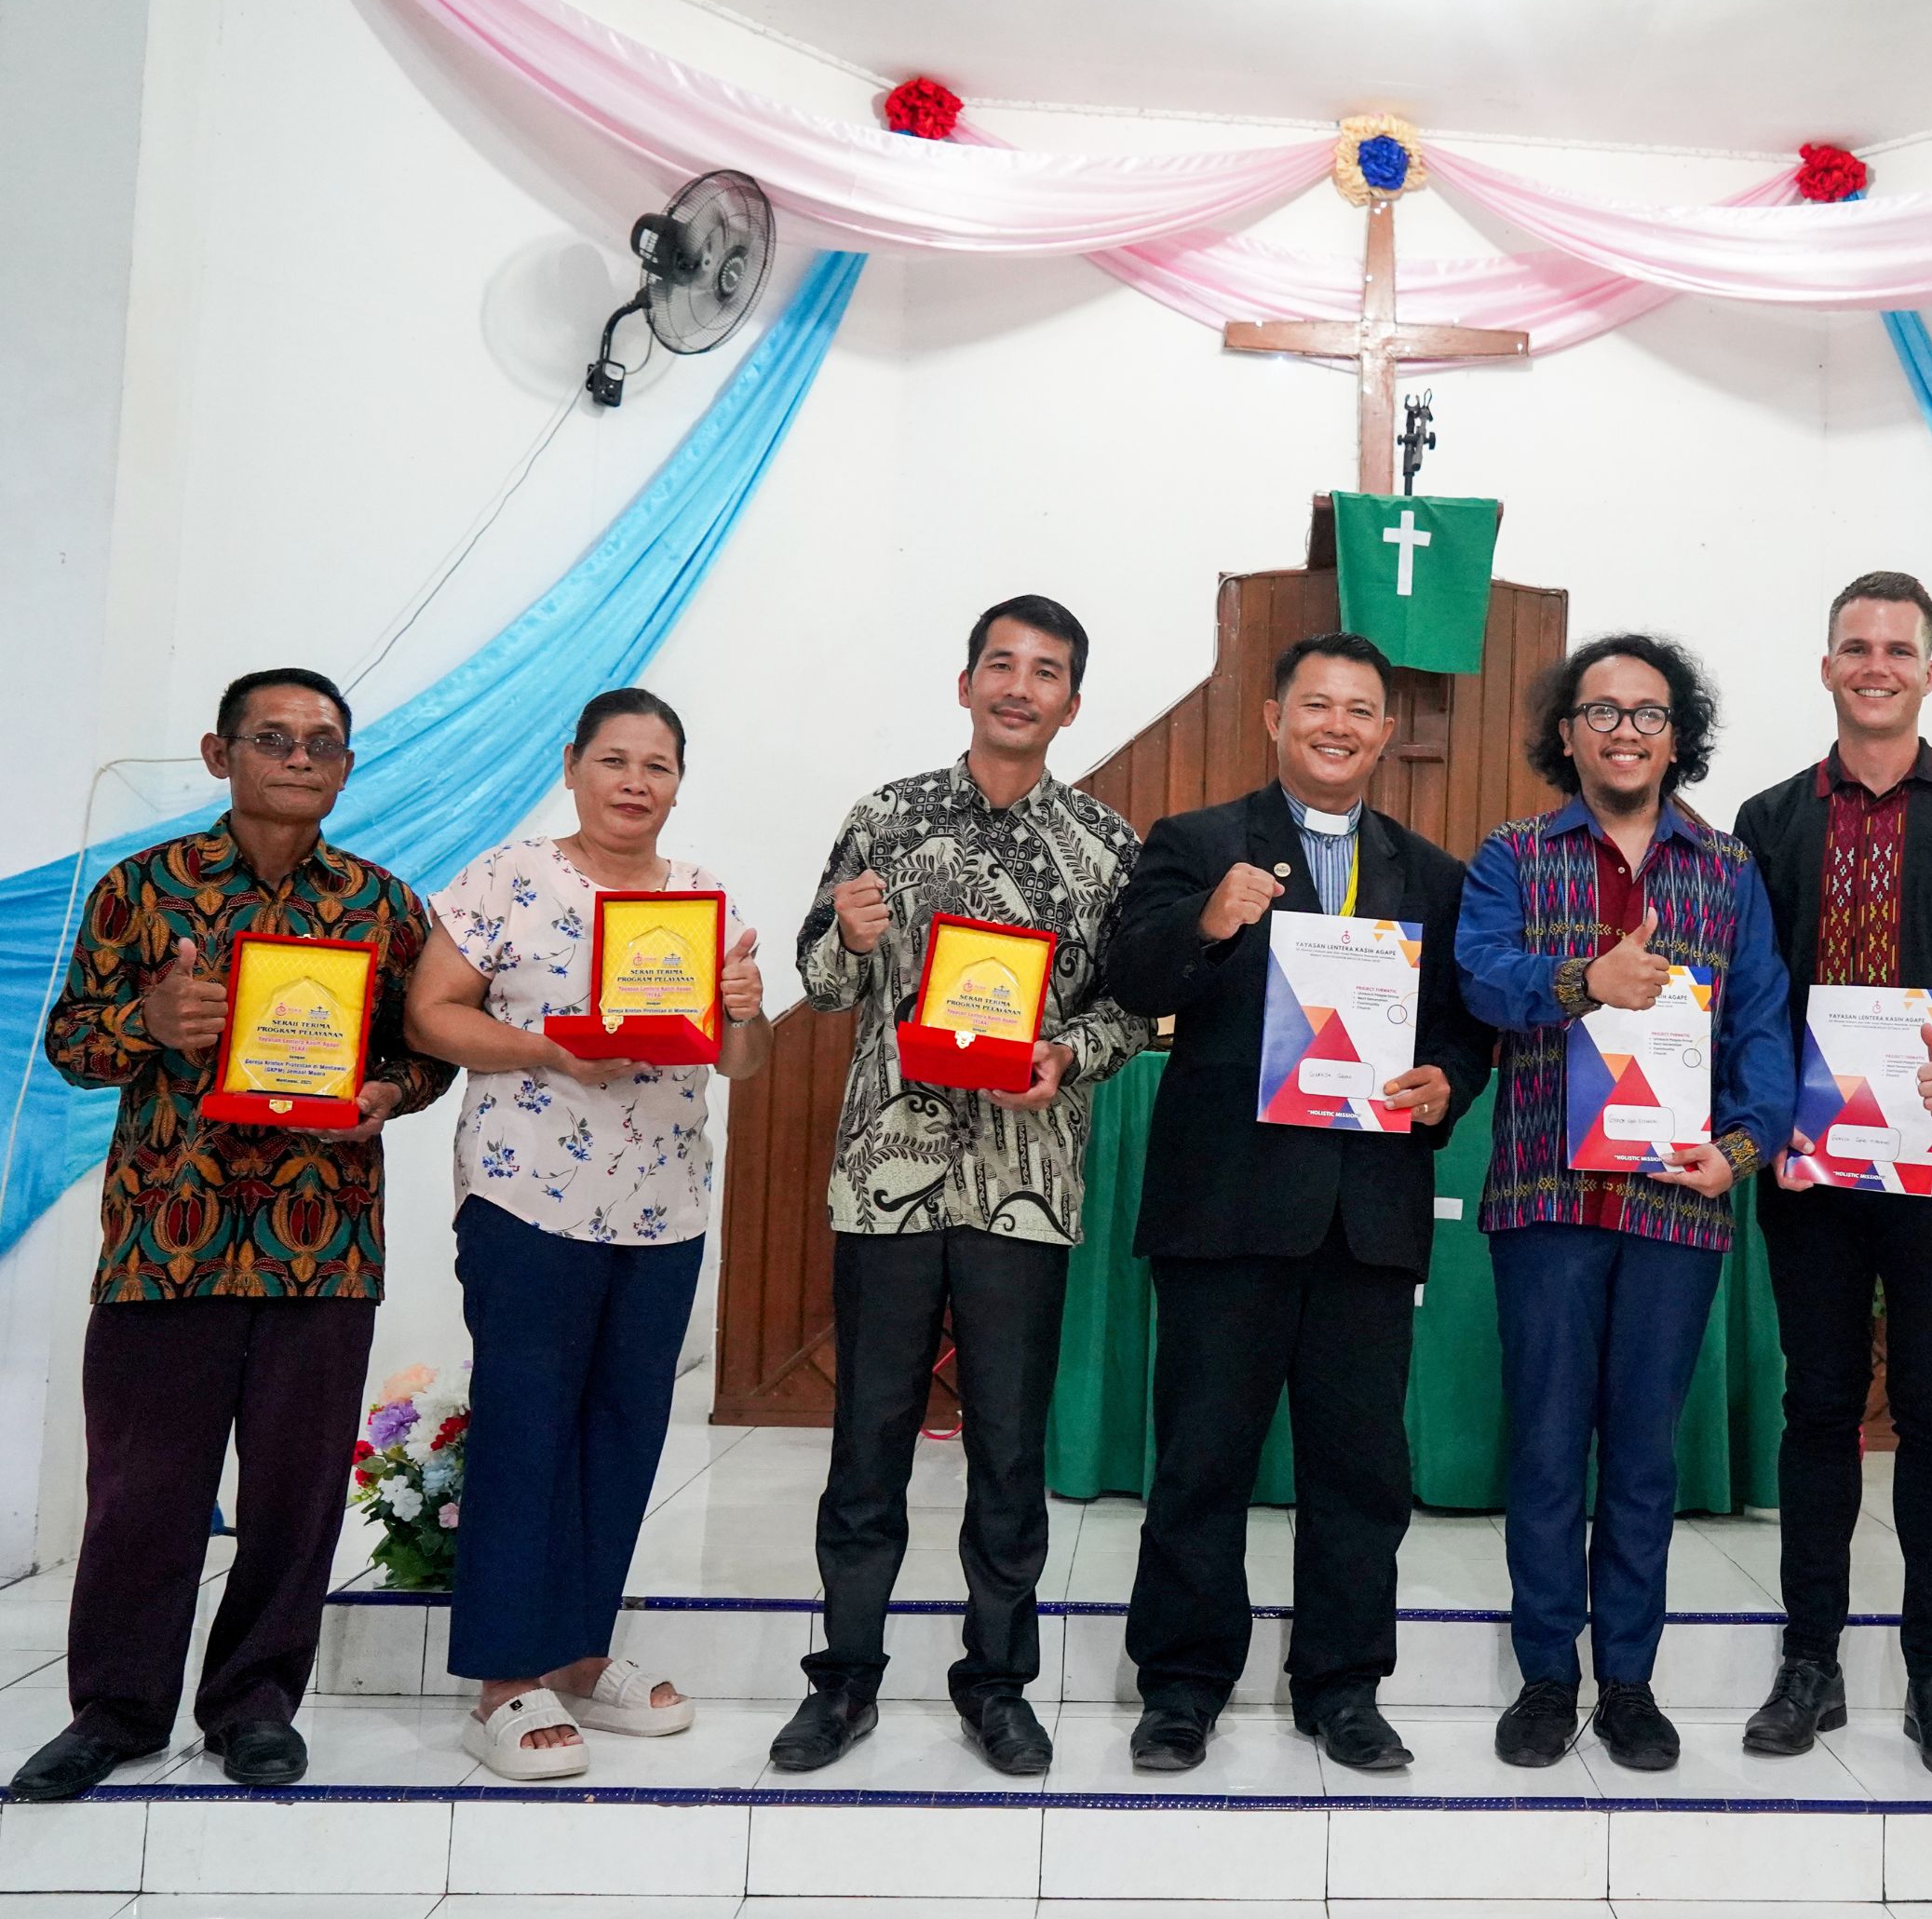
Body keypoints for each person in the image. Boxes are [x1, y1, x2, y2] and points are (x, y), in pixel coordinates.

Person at [9, 669, 454, 1804]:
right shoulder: (141, 889)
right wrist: (148, 1020)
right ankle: (114, 1712)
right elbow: (69, 1041)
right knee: (142, 1497)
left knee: (296, 1502)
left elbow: (426, 1052)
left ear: (346, 768)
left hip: (323, 1245)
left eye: (323, 743)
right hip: (167, 1241)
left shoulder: (384, 906)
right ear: (221, 755)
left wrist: (387, 1093)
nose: (300, 758)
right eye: (274, 738)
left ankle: (255, 1706)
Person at [773, 595, 1154, 1778]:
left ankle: (996, 1683)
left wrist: (1067, 1055)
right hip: (888, 1172)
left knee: (1007, 1447)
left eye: (1045, 672)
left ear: (1072, 705)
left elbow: (1131, 1009)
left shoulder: (1105, 845)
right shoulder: (885, 817)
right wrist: (845, 934)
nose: (1018, 686)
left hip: (1024, 1185)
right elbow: (821, 981)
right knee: (867, 1440)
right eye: (1001, 663)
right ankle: (843, 1679)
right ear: (966, 683)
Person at [1105, 629, 1491, 1775]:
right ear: (1275, 718)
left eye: (1360, 710)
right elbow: (1130, 978)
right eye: (1317, 703)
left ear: (1385, 734)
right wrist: (1206, 921)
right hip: (1226, 1207)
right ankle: (1182, 1687)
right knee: (1202, 1460)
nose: (1338, 725)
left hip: (1366, 1216)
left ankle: (1343, 1686)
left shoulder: (1434, 873)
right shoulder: (1196, 843)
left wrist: (1446, 1085)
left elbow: (1462, 1029)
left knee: (1362, 1472)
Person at [405, 687, 771, 1779]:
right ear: (572, 766)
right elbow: (432, 1015)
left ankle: (576, 1652)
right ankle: (501, 1682)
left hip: (663, 1208)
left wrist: (744, 1005)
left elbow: (742, 1062)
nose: (634, 783)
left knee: (624, 1430)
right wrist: (551, 1052)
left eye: (657, 766)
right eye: (614, 760)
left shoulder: (699, 899)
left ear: (678, 784)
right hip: (529, 1196)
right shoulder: (509, 878)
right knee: (526, 1424)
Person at [1731, 572, 1932, 1778]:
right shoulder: (1770, 817)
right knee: (1818, 1403)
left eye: (1898, 648)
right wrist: (1761, 1112)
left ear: (1929, 671)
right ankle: (1808, 1663)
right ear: (1827, 667)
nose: (1876, 664)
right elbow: (1752, 983)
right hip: (1806, 1159)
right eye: (1855, 646)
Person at [1457, 631, 1791, 1774]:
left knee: (1645, 1458)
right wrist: (1581, 979)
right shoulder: (1514, 854)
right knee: (1548, 1449)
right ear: (1566, 733)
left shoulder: (1728, 870)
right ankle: (1548, 1678)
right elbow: (1477, 974)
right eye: (1601, 712)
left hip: (1677, 1204)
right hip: (1547, 1199)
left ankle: (1631, 1684)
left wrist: (1740, 1150)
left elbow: (1761, 1027)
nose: (1625, 732)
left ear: (1677, 735)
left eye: (1648, 714)